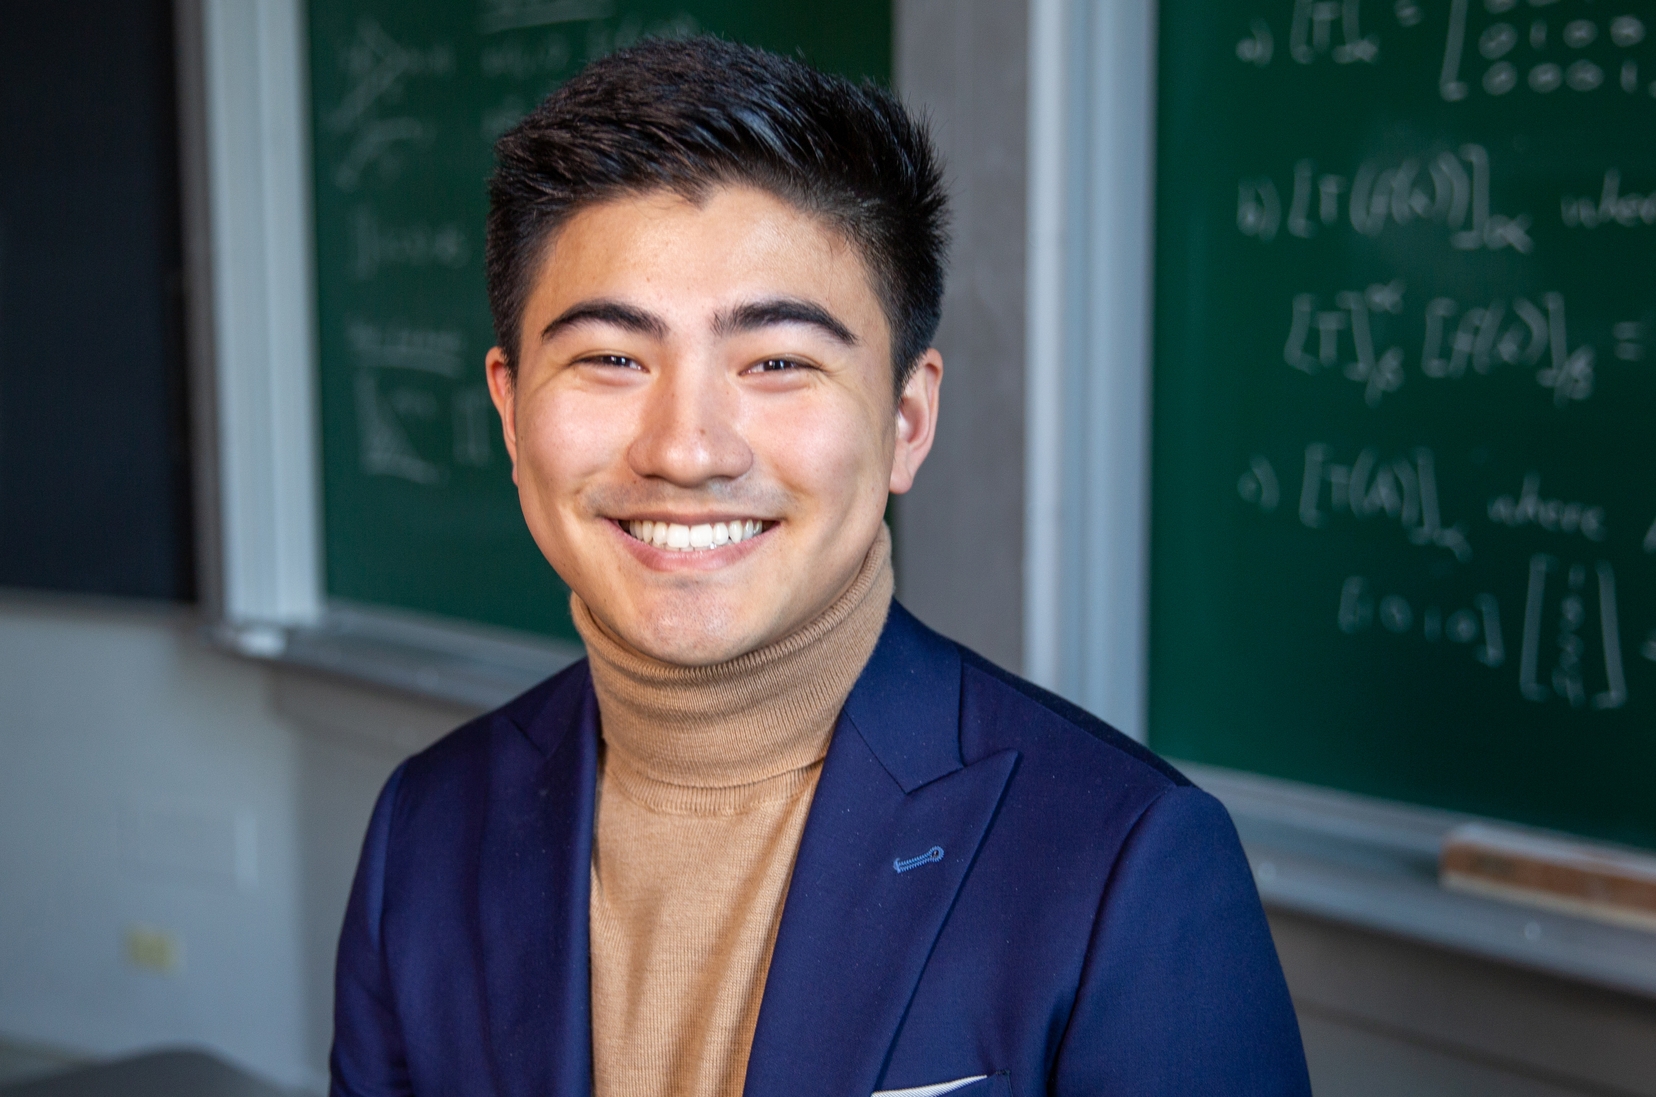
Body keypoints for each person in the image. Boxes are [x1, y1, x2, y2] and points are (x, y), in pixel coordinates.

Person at [329, 36, 1311, 1097]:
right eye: (612, 357)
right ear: (512, 410)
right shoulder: (426, 828)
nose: (687, 447)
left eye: (778, 362)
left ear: (906, 418)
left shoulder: (1125, 862)